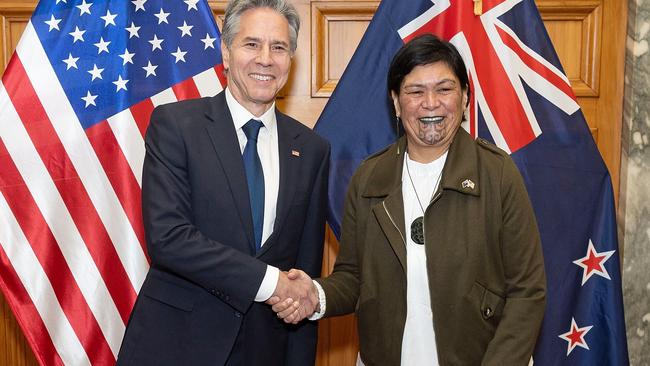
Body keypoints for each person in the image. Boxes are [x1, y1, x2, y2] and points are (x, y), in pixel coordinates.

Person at [272, 34, 546, 365]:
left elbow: (527, 291)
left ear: (464, 98)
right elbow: (353, 277)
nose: (430, 103)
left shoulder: (498, 173)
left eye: (444, 89)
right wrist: (316, 295)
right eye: (415, 91)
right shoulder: (369, 178)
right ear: (397, 103)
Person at [116, 0, 329, 365]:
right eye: (251, 44)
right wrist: (270, 282)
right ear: (226, 53)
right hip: (177, 346)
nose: (265, 58)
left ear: (290, 59)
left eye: (278, 47)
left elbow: (303, 274)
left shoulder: (311, 149)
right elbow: (169, 238)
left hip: (266, 349)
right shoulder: (175, 125)